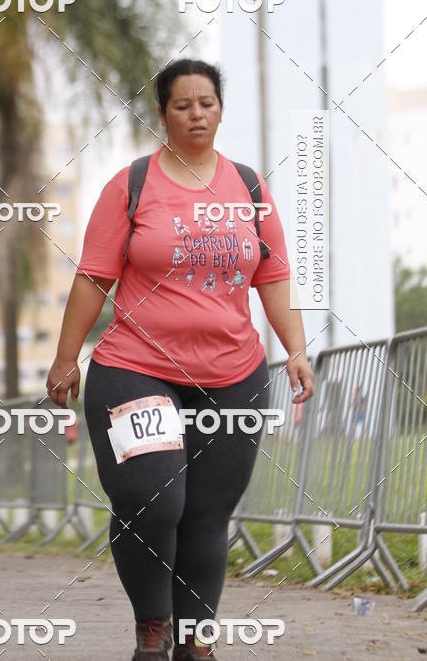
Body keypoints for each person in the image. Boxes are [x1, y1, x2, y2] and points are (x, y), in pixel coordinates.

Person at [46, 59, 315, 660]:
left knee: (207, 514)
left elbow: (273, 276)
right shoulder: (132, 185)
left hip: (233, 374)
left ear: (221, 110)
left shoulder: (249, 187)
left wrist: (295, 349)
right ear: (163, 113)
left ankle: (196, 643)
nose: (197, 114)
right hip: (136, 369)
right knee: (155, 502)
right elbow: (93, 277)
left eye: (207, 103)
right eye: (183, 105)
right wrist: (66, 357)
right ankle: (152, 630)